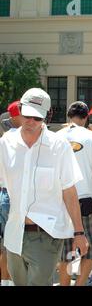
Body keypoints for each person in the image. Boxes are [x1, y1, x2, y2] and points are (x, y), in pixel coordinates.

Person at [0, 88, 88, 286]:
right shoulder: (6, 144)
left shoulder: (59, 146)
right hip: (14, 233)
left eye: (37, 118)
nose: (30, 122)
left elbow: (69, 191)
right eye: (27, 115)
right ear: (20, 110)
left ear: (47, 117)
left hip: (47, 235)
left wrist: (79, 233)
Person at [56, 101, 92, 286]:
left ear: (68, 116)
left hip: (60, 202)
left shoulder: (55, 137)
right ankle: (79, 283)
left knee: (64, 252)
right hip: (87, 201)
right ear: (86, 117)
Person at [0, 101, 24, 286]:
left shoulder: (6, 137)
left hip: (4, 194)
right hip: (15, 196)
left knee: (6, 245)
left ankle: (6, 281)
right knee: (22, 244)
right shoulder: (23, 137)